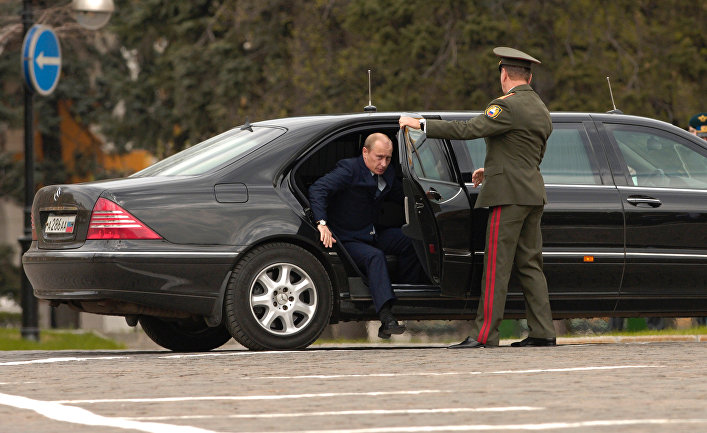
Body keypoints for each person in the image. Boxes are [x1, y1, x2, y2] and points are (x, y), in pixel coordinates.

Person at [399, 47, 556, 349]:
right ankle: (543, 331)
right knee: (530, 265)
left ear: (505, 74)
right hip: (532, 193)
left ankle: (485, 335)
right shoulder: (540, 108)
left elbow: (469, 128)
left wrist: (421, 124)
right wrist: (494, 167)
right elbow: (530, 152)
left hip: (507, 196)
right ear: (530, 77)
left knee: (497, 266)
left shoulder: (505, 106)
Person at [308, 132, 423, 339]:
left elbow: (402, 195)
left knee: (410, 239)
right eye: (379, 157)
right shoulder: (349, 169)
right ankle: (387, 318)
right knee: (374, 257)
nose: (384, 163)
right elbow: (318, 189)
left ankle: (405, 297)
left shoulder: (387, 173)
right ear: (365, 152)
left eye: (388, 158)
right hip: (347, 238)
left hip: (371, 232)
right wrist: (322, 224)